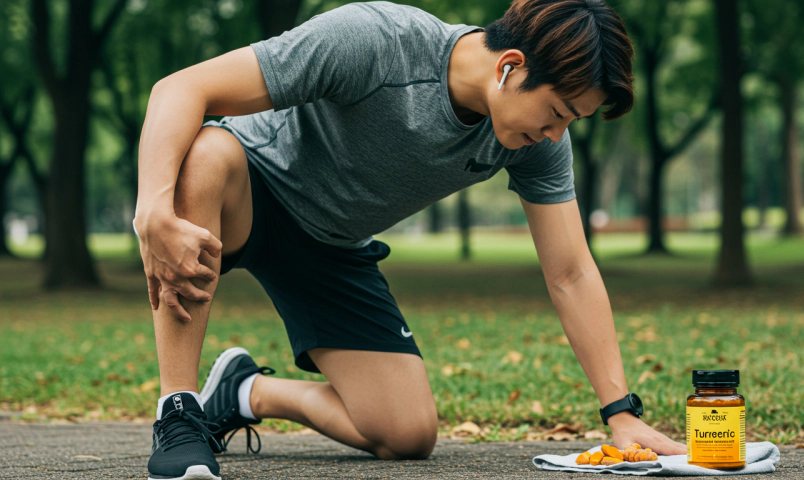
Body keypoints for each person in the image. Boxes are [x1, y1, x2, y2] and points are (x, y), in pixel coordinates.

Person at [134, 0, 687, 478]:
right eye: (558, 113)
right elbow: (182, 87)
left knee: (407, 434)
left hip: (331, 243)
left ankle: (245, 392)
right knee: (205, 153)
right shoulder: (374, 41)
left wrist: (621, 411)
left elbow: (571, 272)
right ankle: (178, 411)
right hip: (248, 190)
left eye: (572, 123)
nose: (555, 135)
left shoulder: (533, 144)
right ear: (511, 67)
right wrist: (153, 208)